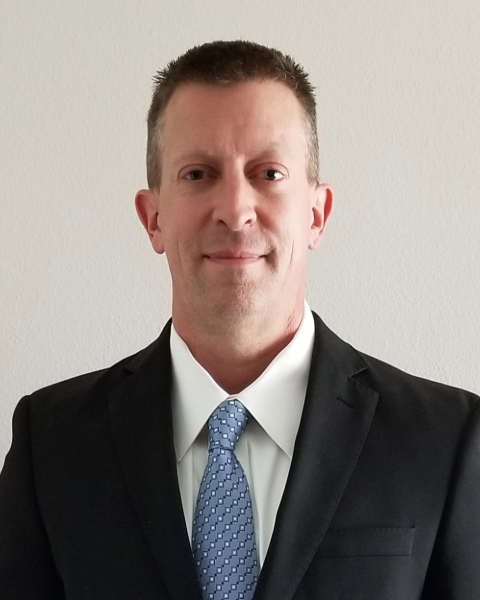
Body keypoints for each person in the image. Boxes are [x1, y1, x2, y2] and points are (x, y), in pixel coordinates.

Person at [0, 40, 479, 600]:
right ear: (153, 218)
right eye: (198, 174)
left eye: (269, 173)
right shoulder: (51, 444)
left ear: (317, 215)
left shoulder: (445, 440)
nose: (234, 209)